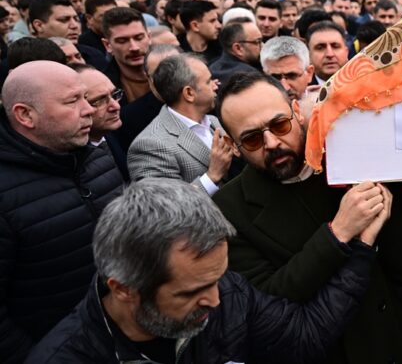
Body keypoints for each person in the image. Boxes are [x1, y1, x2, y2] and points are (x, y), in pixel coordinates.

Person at [27, 178, 377, 364]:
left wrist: (360, 249)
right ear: (123, 289)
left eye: (218, 278)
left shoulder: (226, 291)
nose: (215, 298)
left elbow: (303, 337)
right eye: (190, 292)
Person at [214, 71, 402, 364]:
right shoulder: (228, 209)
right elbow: (267, 302)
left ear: (295, 111)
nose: (273, 142)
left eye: (279, 125)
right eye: (251, 139)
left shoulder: (356, 161)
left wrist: (384, 213)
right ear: (233, 144)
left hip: (390, 343)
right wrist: (337, 233)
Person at [0, 61, 123, 363]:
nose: (89, 110)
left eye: (86, 97)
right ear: (25, 115)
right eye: (72, 101)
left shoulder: (98, 156)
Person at [128, 53, 234, 195]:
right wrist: (211, 177)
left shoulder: (214, 121)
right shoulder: (150, 145)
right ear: (189, 93)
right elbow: (163, 206)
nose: (216, 85)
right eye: (208, 81)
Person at [73, 64, 128, 179]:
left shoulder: (121, 132)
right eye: (99, 101)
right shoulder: (72, 161)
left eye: (114, 95)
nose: (116, 106)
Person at [101, 6, 152, 104]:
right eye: (122, 41)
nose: (134, 48)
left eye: (139, 38)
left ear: (149, 37)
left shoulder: (174, 72)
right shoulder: (103, 87)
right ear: (107, 45)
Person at [209, 17, 262, 87]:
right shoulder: (249, 76)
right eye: (257, 42)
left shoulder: (210, 70)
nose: (262, 46)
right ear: (238, 48)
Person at [178, 0, 222, 65]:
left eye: (217, 20)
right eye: (212, 21)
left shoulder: (222, 45)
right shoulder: (177, 51)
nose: (219, 26)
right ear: (195, 26)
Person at [307, 21, 350, 86]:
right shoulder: (301, 92)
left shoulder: (364, 87)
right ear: (309, 55)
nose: (330, 54)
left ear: (346, 52)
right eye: (320, 48)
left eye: (335, 46)